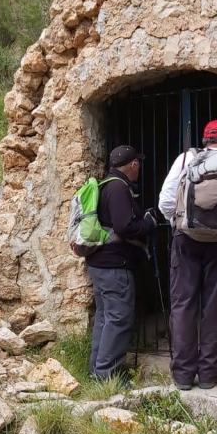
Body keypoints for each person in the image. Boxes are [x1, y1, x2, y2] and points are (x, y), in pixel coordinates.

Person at [158, 120, 217, 390]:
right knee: (213, 307)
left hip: (185, 242)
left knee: (183, 305)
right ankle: (209, 374)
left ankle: (183, 375)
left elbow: (165, 202)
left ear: (204, 139)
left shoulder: (185, 159)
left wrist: (183, 222)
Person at [85, 144, 158, 381]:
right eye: (138, 164)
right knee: (118, 320)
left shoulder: (105, 184)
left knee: (105, 319)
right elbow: (124, 226)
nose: (139, 168)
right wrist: (148, 222)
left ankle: (97, 371)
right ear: (133, 164)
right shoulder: (118, 188)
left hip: (99, 264)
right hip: (114, 266)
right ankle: (108, 375)